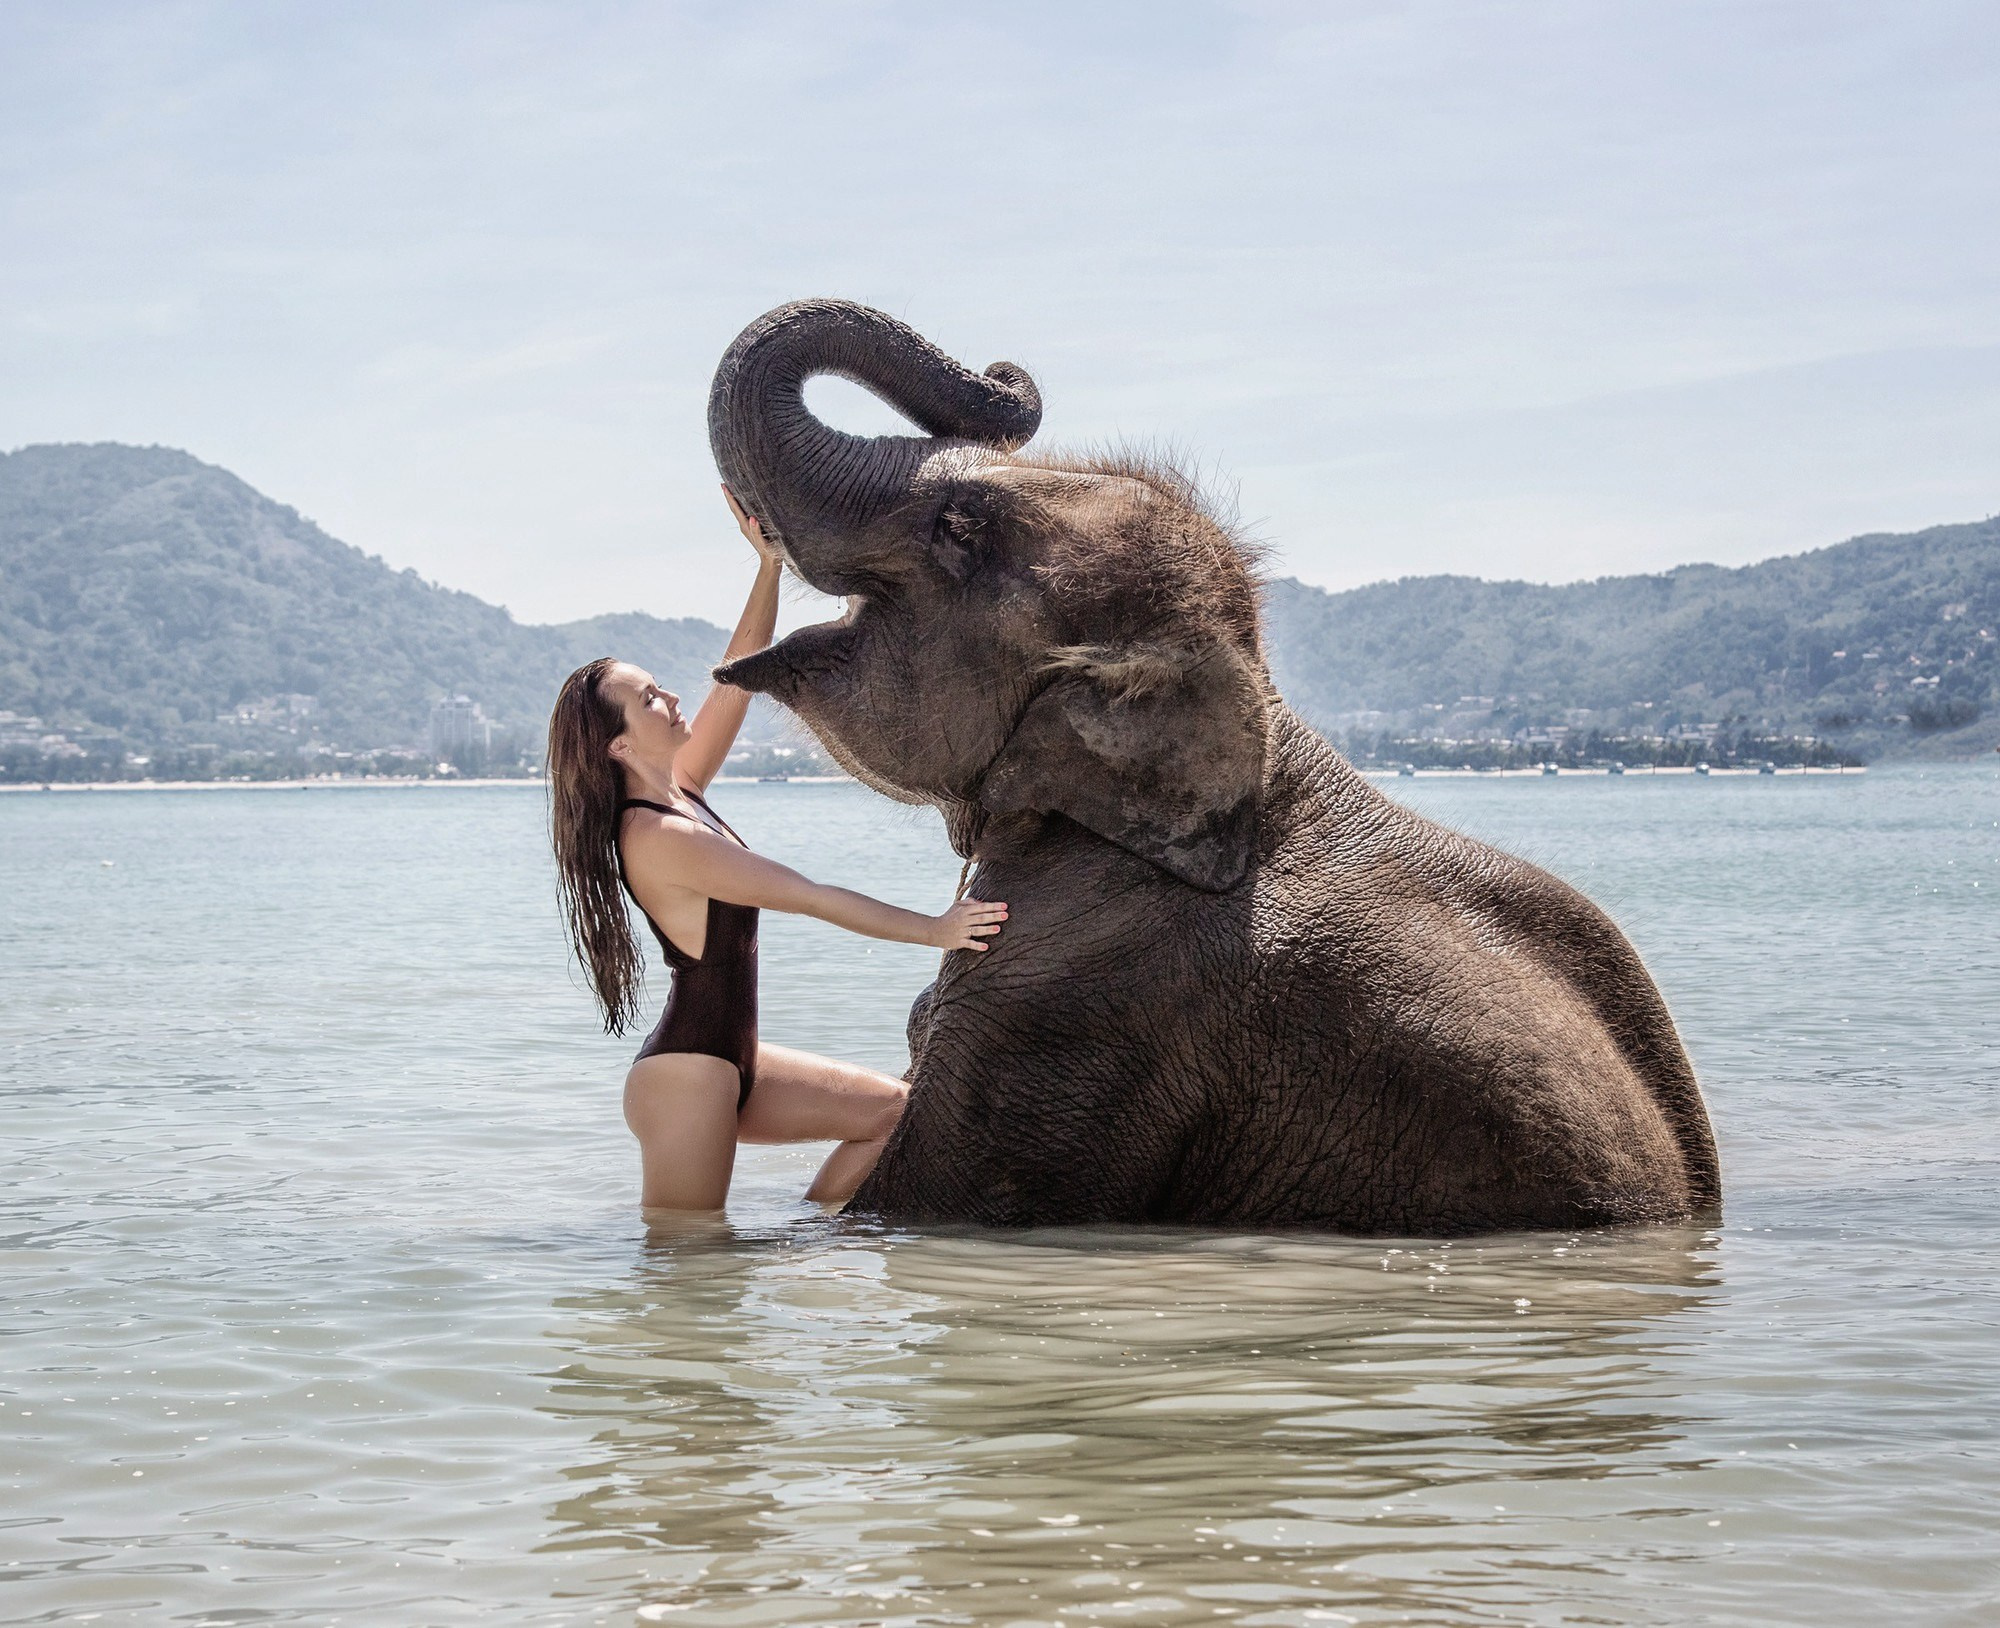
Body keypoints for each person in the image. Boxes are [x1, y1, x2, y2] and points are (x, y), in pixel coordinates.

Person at [546, 488, 1007, 1213]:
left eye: (661, 688)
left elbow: (736, 678)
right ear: (620, 747)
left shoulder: (681, 790)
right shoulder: (659, 836)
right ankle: (789, 1254)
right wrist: (935, 930)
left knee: (894, 1113)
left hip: (735, 1060)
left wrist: (767, 569)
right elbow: (808, 896)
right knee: (688, 1258)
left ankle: (812, 1239)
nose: (672, 699)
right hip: (687, 1076)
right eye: (649, 699)